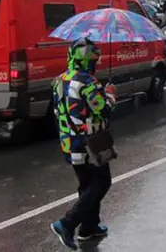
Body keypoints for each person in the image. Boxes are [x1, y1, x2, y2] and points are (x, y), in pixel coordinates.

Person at [50, 38, 116, 250]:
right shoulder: (88, 83)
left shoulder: (60, 80)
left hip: (69, 142)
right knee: (101, 182)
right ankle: (67, 224)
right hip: (91, 143)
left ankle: (89, 227)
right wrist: (111, 95)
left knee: (87, 185)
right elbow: (103, 110)